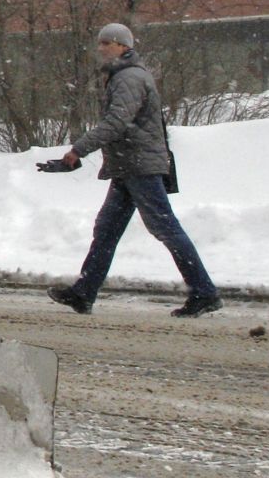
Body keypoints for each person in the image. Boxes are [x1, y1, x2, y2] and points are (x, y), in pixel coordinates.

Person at [43, 24, 221, 318]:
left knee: (165, 228)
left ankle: (204, 292)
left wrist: (77, 150)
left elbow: (116, 123)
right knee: (107, 229)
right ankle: (84, 293)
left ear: (124, 46)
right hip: (128, 166)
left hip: (139, 166)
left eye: (107, 43)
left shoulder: (129, 78)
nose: (101, 48)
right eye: (99, 42)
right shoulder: (123, 76)